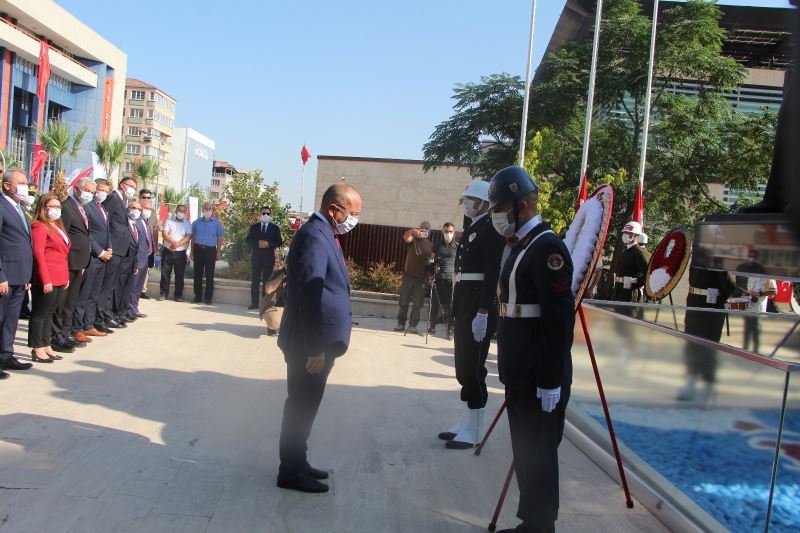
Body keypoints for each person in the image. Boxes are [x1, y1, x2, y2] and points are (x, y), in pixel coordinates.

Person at [489, 166, 575, 533]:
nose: (497, 215)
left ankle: (542, 527)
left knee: (539, 452)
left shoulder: (547, 247)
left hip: (540, 370)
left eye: (501, 207)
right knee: (525, 447)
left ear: (521, 205)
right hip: (519, 365)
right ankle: (532, 523)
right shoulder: (520, 245)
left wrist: (551, 378)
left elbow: (558, 321)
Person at [277, 182, 362, 493]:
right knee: (300, 404)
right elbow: (310, 294)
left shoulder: (325, 233)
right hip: (309, 344)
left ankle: (299, 461)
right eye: (352, 213)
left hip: (316, 341)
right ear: (333, 210)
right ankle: (290, 471)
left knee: (306, 404)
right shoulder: (314, 236)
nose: (354, 220)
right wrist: (315, 348)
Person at [438, 180, 504, 449]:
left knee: (474, 368)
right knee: (463, 366)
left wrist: (484, 311)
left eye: (470, 199)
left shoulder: (491, 229)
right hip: (466, 299)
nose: (466, 203)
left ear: (484, 203)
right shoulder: (474, 227)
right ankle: (466, 421)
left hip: (479, 302)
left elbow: (492, 274)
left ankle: (475, 430)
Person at [678, 263, 736, 403]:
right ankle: (690, 384)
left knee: (708, 350)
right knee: (691, 348)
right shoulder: (700, 256)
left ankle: (707, 388)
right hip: (693, 304)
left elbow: (728, 285)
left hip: (710, 308)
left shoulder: (720, 258)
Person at [52, 178, 95, 351]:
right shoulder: (67, 207)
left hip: (80, 262)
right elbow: (63, 237)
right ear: (77, 189)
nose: (90, 195)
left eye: (92, 192)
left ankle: (66, 333)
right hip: (68, 262)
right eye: (88, 190)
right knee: (61, 302)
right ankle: (56, 336)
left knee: (71, 301)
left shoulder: (82, 209)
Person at [29, 193, 71, 364]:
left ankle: (47, 344)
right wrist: (45, 279)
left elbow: (63, 254)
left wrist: (66, 276)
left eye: (58, 207)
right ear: (43, 208)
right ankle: (37, 347)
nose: (56, 210)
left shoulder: (57, 225)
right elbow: (38, 253)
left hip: (60, 276)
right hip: (47, 277)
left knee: (50, 313)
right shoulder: (39, 226)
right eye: (52, 206)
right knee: (39, 313)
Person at [0, 169, 34, 378]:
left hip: (20, 275)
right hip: (5, 275)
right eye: (20, 183)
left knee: (12, 319)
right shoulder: (2, 206)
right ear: (7, 186)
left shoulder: (20, 207)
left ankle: (6, 354)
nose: (25, 186)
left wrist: (27, 276)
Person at [74, 179, 112, 337]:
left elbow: (106, 231)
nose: (101, 193)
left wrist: (109, 247)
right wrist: (99, 251)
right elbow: (87, 233)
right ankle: (76, 328)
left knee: (94, 294)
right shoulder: (87, 207)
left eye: (105, 191)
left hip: (103, 256)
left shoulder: (102, 207)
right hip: (92, 256)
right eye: (99, 190)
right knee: (84, 294)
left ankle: (88, 324)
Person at [102, 176, 138, 328]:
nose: (132, 190)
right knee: (108, 286)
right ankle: (103, 317)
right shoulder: (113, 198)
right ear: (123, 185)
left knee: (113, 285)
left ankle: (108, 315)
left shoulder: (121, 200)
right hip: (114, 248)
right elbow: (106, 222)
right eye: (131, 186)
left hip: (121, 250)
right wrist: (108, 245)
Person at [394, 221, 433, 334]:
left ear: (430, 231)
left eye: (426, 228)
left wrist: (430, 271)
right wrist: (412, 231)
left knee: (418, 303)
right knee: (404, 300)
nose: (424, 230)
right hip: (408, 275)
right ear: (419, 229)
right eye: (422, 228)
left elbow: (432, 260)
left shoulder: (431, 246)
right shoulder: (413, 240)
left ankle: (413, 325)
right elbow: (406, 238)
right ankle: (401, 323)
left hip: (422, 277)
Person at [246, 205, 282, 309]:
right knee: (255, 281)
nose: (265, 215)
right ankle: (254, 303)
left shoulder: (275, 228)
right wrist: (257, 243)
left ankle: (265, 303)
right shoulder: (254, 227)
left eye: (268, 213)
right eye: (263, 213)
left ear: (270, 215)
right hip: (256, 258)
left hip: (268, 259)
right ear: (260, 214)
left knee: (267, 282)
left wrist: (269, 244)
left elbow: (279, 241)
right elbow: (248, 240)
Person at [190, 202, 225, 304]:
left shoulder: (217, 223)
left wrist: (218, 252)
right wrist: (192, 252)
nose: (208, 210)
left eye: (210, 208)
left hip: (210, 250)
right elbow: (193, 238)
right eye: (206, 208)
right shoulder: (196, 222)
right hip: (198, 249)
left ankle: (208, 298)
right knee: (197, 274)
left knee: (210, 275)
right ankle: (197, 297)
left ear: (212, 210)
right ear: (202, 210)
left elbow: (220, 238)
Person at [428, 222, 457, 339]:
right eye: (446, 231)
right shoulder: (437, 245)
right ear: (442, 232)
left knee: (451, 305)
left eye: (450, 232)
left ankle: (450, 329)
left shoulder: (457, 246)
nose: (448, 234)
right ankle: (432, 328)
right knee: (434, 305)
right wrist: (430, 275)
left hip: (451, 280)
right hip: (438, 279)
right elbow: (431, 260)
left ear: (454, 232)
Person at [124, 199, 150, 320]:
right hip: (137, 259)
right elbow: (137, 242)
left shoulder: (145, 221)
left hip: (145, 258)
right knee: (132, 287)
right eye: (144, 208)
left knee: (138, 287)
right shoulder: (136, 222)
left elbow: (148, 240)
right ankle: (129, 310)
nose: (145, 211)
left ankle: (134, 308)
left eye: (141, 209)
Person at [160, 204, 192, 301]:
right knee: (165, 274)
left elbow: (188, 237)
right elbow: (164, 234)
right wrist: (173, 243)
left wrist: (177, 245)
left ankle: (178, 295)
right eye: (179, 210)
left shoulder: (188, 224)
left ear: (185, 213)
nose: (181, 212)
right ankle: (163, 294)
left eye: (183, 211)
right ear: (176, 211)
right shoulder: (168, 221)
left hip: (180, 253)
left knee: (180, 275)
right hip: (167, 251)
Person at [137, 188, 158, 299]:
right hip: (138, 244)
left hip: (149, 246)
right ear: (140, 197)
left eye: (148, 197)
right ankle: (135, 289)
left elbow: (155, 229)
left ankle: (142, 290)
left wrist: (156, 245)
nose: (146, 199)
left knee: (146, 269)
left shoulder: (153, 212)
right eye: (144, 197)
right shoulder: (134, 209)